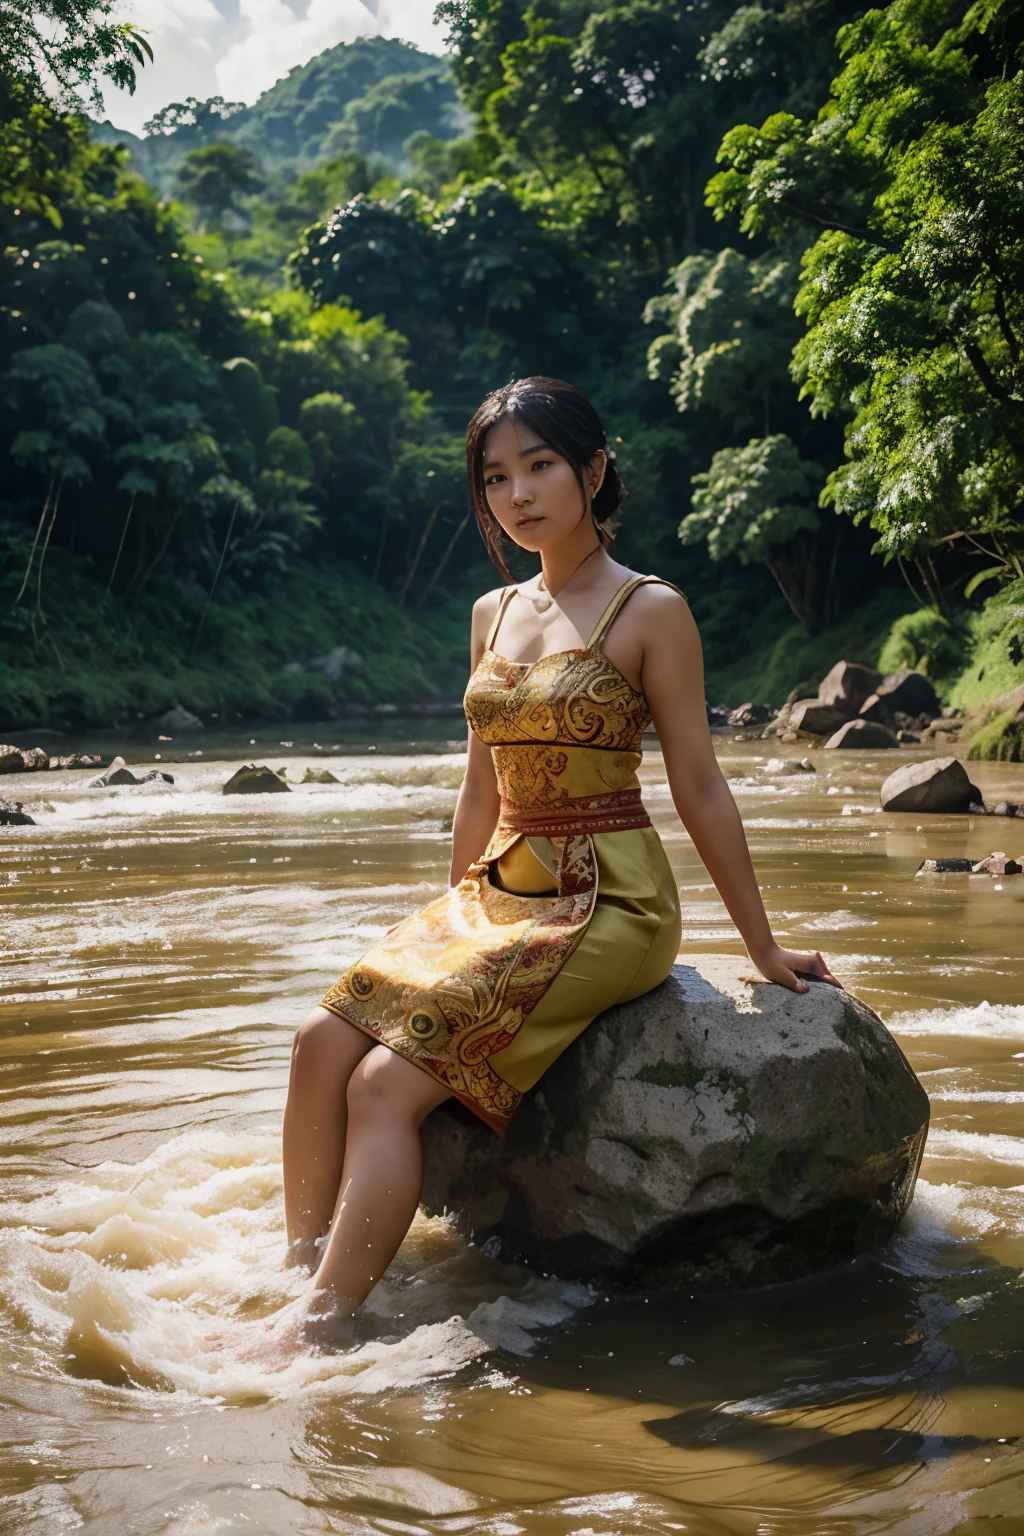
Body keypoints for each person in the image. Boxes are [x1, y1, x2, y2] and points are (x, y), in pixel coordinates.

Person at [234, 375, 836, 1363]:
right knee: (318, 1040)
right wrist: (450, 918)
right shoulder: (492, 610)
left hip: (609, 899)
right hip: (501, 891)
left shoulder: (652, 611)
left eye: (541, 466)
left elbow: (699, 785)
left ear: (593, 472)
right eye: (496, 477)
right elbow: (480, 789)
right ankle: (293, 1268)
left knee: (386, 1085)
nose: (518, 494)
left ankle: (318, 1325)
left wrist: (759, 946)